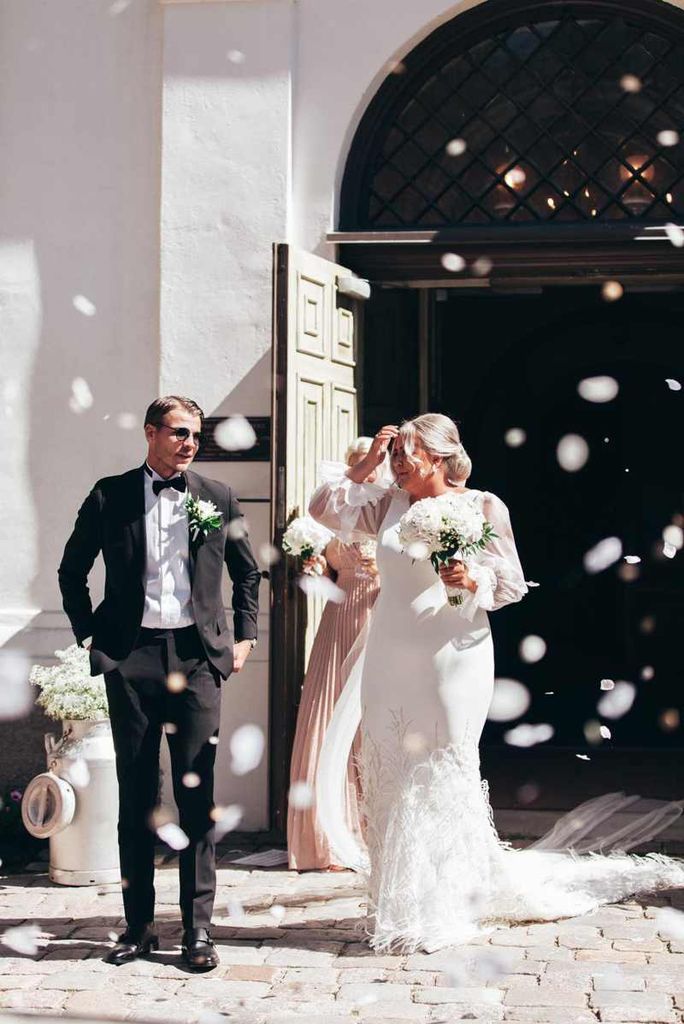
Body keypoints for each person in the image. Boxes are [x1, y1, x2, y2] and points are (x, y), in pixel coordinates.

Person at [310, 413, 684, 953]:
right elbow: (325, 508)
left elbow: (511, 582)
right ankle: (398, 900)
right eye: (393, 456)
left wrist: (470, 577)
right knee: (389, 763)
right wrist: (367, 465)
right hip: (390, 650)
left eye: (404, 455)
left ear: (439, 458)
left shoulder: (482, 505)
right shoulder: (384, 504)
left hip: (453, 651)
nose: (396, 464)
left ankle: (445, 902)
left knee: (440, 763)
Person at [58, 396, 261, 969]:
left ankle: (199, 931)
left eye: (195, 435)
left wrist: (244, 638)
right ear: (150, 433)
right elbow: (72, 571)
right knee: (138, 797)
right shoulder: (110, 494)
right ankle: (138, 928)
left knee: (198, 796)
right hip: (133, 656)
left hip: (198, 659)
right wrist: (90, 638)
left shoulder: (217, 497)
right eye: (178, 432)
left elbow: (248, 572)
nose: (189, 443)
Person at [288, 437, 381, 871]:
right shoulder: (330, 518)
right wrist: (314, 565)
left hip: (379, 618)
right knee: (328, 717)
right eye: (359, 464)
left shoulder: (388, 511)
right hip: (339, 618)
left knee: (369, 720)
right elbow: (325, 570)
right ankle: (324, 837)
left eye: (373, 463)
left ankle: (371, 830)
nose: (369, 470)